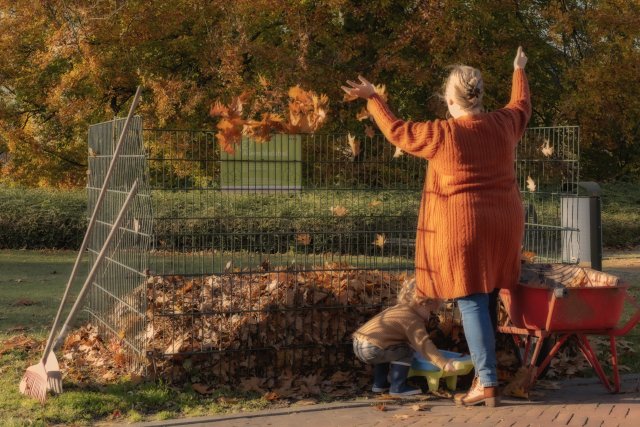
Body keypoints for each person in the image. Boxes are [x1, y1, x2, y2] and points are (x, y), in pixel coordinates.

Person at [343, 47, 531, 407]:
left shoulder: (442, 133)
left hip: (466, 225)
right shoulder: (504, 123)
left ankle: (487, 381)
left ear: (448, 99)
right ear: (479, 95)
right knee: (489, 293)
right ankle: (484, 376)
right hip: (505, 222)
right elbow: (521, 105)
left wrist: (373, 98)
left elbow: (397, 131)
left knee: (472, 298)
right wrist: (518, 70)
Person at [352, 278, 458, 396]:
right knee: (406, 351)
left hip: (359, 343)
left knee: (387, 349)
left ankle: (380, 384)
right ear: (422, 302)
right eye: (430, 311)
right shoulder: (413, 320)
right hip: (372, 348)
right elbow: (423, 344)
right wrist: (443, 363)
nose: (429, 316)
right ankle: (398, 387)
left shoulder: (397, 309)